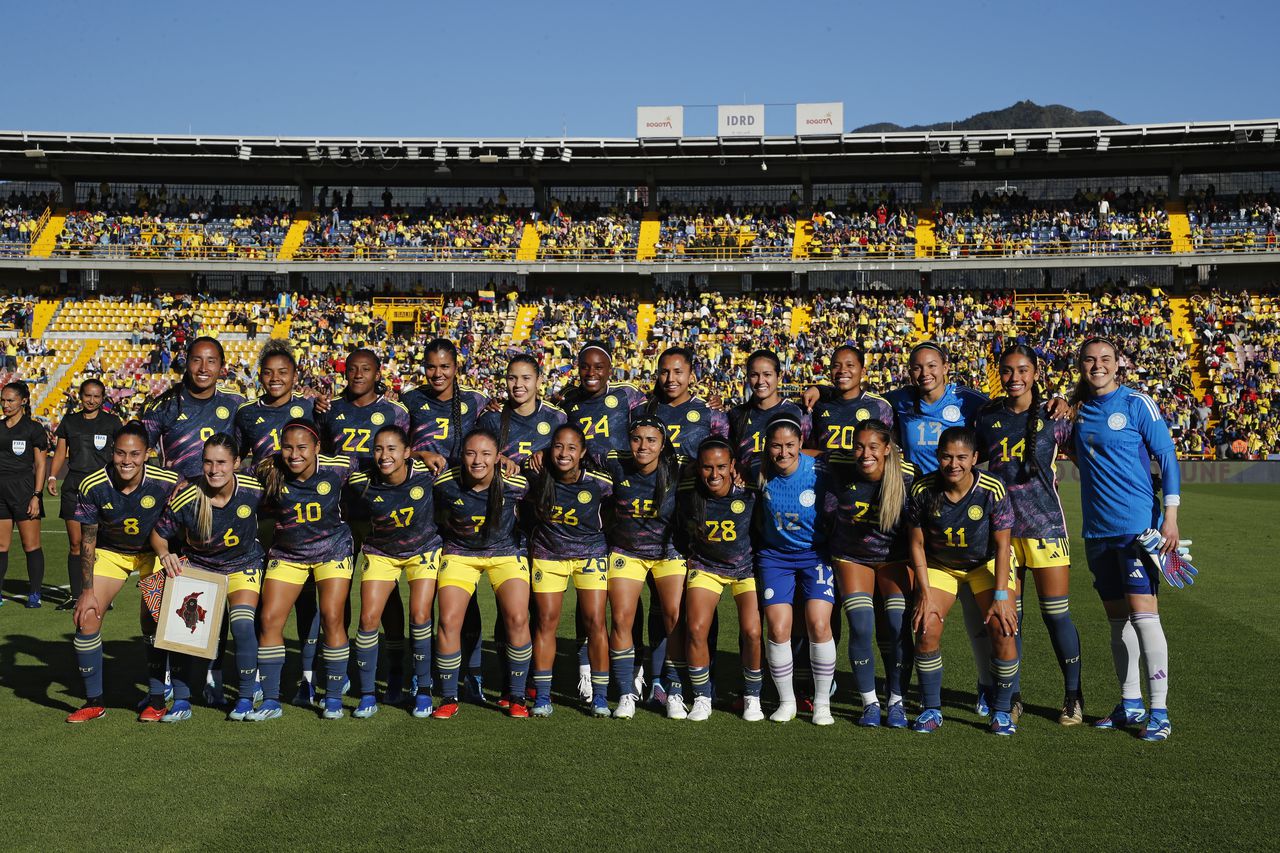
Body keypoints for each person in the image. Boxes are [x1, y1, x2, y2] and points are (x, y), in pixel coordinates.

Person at [1071, 337, 1182, 742]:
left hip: (1137, 530)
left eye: (1105, 359)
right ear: (1080, 365)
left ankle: (1160, 711)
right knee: (1118, 621)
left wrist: (1170, 517)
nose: (1097, 366)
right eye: (1089, 360)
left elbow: (1167, 457)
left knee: (1144, 616)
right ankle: (1130, 702)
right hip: (1097, 532)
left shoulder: (1137, 404)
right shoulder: (1077, 410)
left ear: (1118, 363)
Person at [975, 345, 1084, 725]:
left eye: (1022, 369)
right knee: (1009, 619)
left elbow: (1089, 453)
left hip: (1046, 527)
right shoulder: (987, 416)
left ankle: (1073, 696)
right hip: (1001, 530)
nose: (1014, 377)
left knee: (1056, 616)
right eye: (1007, 370)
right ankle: (1013, 695)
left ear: (1036, 372)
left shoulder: (1055, 417)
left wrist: (1068, 403)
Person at [907, 427, 1020, 735]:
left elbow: (1002, 546)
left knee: (1003, 627)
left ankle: (1001, 710)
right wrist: (925, 593)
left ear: (975, 458)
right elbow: (916, 544)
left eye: (961, 457)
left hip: (986, 564)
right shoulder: (922, 490)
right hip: (941, 565)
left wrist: (1000, 596)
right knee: (926, 624)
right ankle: (931, 708)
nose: (953, 464)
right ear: (937, 456)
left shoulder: (992, 489)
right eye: (946, 456)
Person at [66, 423, 180, 723]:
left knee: (152, 619)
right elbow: (88, 541)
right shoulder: (93, 484)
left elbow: (184, 517)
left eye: (134, 454)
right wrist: (87, 591)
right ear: (112, 452)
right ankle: (94, 702)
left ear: (147, 454)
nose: (126, 460)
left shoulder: (167, 481)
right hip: (112, 554)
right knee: (86, 618)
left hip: (154, 554)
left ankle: (156, 699)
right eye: (120, 453)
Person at [319, 348, 413, 704]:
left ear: (378, 374)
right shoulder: (330, 410)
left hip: (381, 516)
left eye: (366, 369)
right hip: (338, 514)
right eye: (352, 369)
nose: (358, 374)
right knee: (336, 595)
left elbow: (406, 455)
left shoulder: (395, 412)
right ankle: (337, 670)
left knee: (385, 596)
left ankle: (394, 668)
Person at [150, 435, 265, 722]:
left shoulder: (254, 490)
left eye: (222, 463)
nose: (214, 470)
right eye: (208, 462)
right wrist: (165, 554)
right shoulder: (188, 497)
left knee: (241, 625)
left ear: (237, 463)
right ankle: (181, 701)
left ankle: (246, 697)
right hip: (201, 569)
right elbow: (158, 534)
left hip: (243, 565)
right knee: (182, 632)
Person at [248, 420, 358, 721]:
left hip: (332, 549)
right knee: (270, 619)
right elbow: (231, 479)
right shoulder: (268, 470)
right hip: (288, 553)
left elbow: (379, 461)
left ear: (317, 447)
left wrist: (423, 457)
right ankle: (271, 699)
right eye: (287, 447)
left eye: (302, 447)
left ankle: (333, 697)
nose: (294, 454)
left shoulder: (337, 466)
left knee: (333, 617)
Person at [234, 339, 323, 707]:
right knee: (259, 598)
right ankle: (254, 673)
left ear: (294, 376)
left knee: (307, 599)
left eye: (283, 372)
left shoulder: (311, 408)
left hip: (303, 518)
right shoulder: (245, 413)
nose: (275, 378)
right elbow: (238, 460)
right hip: (262, 517)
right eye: (268, 372)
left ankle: (308, 675)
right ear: (259, 375)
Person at [401, 338, 489, 700]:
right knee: (424, 597)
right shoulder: (408, 401)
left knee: (460, 597)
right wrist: (419, 452)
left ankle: (473, 672)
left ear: (457, 367)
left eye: (445, 367)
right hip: (419, 508)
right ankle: (420, 673)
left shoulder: (476, 401)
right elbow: (394, 444)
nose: (437, 374)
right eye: (431, 367)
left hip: (463, 507)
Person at [430, 429, 533, 719]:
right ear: (461, 456)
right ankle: (449, 696)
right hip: (461, 554)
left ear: (498, 457)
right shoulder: (444, 482)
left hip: (505, 553)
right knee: (449, 620)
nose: (478, 461)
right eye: (471, 453)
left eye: (486, 454)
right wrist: (421, 453)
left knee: (517, 617)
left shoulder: (516, 483)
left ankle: (517, 695)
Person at [823, 419, 917, 728]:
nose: (865, 454)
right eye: (859, 446)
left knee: (896, 623)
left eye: (873, 447)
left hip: (895, 558)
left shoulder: (908, 477)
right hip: (852, 557)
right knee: (861, 625)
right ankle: (870, 703)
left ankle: (898, 700)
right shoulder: (839, 464)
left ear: (887, 449)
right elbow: (802, 453)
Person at [347, 426, 443, 719]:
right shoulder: (360, 480)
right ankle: (367, 694)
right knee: (368, 618)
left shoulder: (428, 474)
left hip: (423, 550)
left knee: (420, 615)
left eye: (391, 449)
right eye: (378, 449)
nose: (384, 455)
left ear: (406, 452)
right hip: (381, 553)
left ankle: (423, 689)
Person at [753, 415, 836, 725]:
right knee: (777, 628)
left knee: (818, 623)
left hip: (815, 555)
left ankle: (822, 702)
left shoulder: (819, 471)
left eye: (790, 445)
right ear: (767, 446)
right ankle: (786, 701)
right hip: (775, 557)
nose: (783, 452)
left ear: (801, 444)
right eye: (776, 445)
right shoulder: (757, 471)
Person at [526, 424, 613, 717]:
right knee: (546, 623)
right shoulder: (537, 476)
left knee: (595, 622)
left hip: (590, 556)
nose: (564, 453)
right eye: (558, 446)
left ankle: (600, 695)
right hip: (549, 556)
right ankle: (543, 696)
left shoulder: (600, 482)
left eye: (572, 448)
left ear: (583, 452)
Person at [603, 417, 685, 719]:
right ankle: (626, 692)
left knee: (674, 617)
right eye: (637, 438)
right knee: (622, 617)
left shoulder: (679, 470)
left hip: (668, 552)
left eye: (651, 440)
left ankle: (674, 690)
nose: (643, 446)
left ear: (662, 445)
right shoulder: (615, 463)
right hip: (627, 551)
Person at [676, 438, 763, 722]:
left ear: (733, 466)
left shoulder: (749, 491)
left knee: (752, 631)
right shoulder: (688, 491)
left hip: (745, 569)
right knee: (696, 627)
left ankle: (752, 696)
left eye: (722, 467)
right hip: (706, 565)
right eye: (707, 467)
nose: (714, 475)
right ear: (697, 468)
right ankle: (702, 697)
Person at [48, 379, 122, 609]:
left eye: (96, 396)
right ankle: (75, 594)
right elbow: (61, 452)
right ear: (81, 396)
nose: (91, 400)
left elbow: (121, 453)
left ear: (103, 398)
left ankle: (100, 594)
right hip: (74, 486)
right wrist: (52, 477)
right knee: (76, 543)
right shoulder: (70, 421)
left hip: (102, 488)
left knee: (99, 544)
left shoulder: (112, 422)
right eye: (87, 396)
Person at [141, 336, 246, 480]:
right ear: (186, 362)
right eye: (196, 360)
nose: (203, 368)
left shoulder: (236, 403)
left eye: (211, 361)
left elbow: (247, 449)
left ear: (222, 366)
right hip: (178, 497)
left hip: (224, 498)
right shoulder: (163, 406)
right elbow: (137, 454)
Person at [0, 381, 49, 608]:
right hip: (1, 492)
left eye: (10, 400)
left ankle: (35, 593)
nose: (5, 405)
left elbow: (40, 465)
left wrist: (36, 495)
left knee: (31, 546)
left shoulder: (34, 429)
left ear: (23, 401)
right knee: (1, 546)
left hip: (24, 491)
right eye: (3, 400)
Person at [558, 342, 647, 466]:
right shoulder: (567, 397)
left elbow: (646, 434)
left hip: (623, 472)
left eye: (598, 367)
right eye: (584, 367)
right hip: (583, 477)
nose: (591, 373)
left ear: (610, 370)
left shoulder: (627, 393)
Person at [476, 354, 566, 467]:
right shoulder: (491, 417)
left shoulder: (557, 417)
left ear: (538, 381)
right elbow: (475, 453)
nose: (518, 384)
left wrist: (547, 453)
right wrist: (498, 458)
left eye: (526, 378)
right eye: (512, 378)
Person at [727, 349, 810, 467]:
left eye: (767, 374)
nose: (761, 381)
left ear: (779, 376)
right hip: (748, 484)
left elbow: (808, 453)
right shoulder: (735, 414)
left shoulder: (799, 413)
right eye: (754, 375)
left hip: (784, 483)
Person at [805, 345, 894, 452]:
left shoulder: (880, 406)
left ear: (863, 372)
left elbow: (889, 451)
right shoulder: (817, 404)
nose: (842, 370)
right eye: (836, 366)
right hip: (825, 469)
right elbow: (806, 450)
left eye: (850, 365)